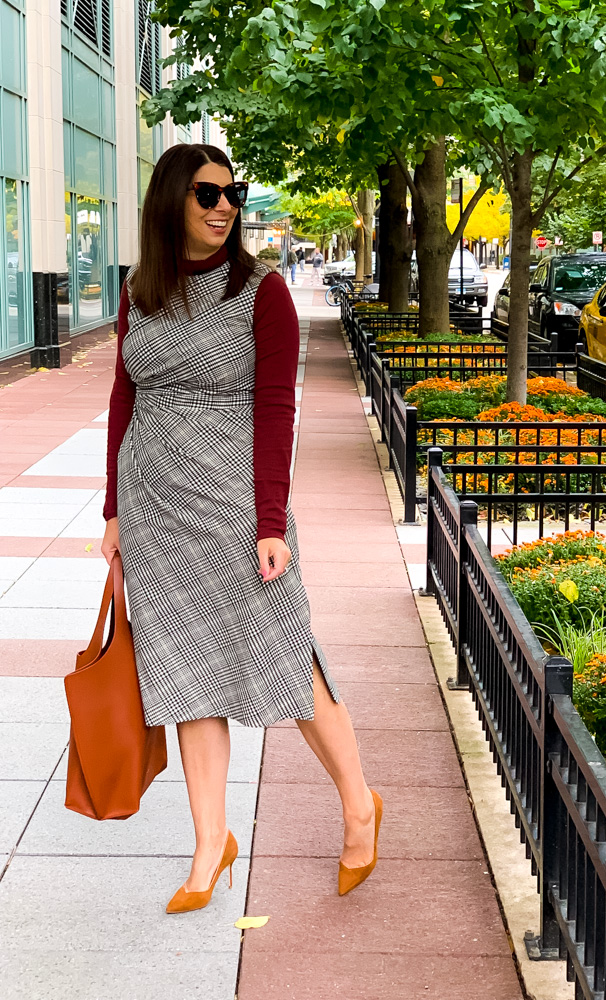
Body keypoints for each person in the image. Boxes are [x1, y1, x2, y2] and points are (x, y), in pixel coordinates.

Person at [101, 143, 382, 913]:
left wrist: (270, 520)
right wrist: (112, 512)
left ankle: (359, 804)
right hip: (154, 506)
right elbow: (124, 401)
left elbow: (276, 409)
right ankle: (208, 844)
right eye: (207, 193)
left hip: (234, 504)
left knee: (285, 659)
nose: (225, 206)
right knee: (183, 670)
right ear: (171, 201)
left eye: (233, 193)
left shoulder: (261, 291)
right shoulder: (141, 291)